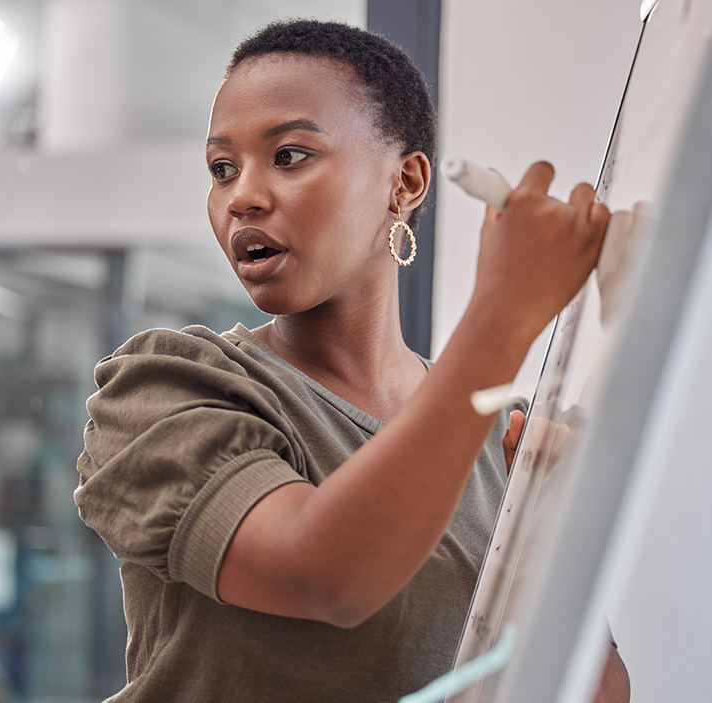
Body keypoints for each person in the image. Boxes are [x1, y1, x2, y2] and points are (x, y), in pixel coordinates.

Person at [75, 19, 629, 703]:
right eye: (222, 168)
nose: (241, 194)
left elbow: (595, 689)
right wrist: (505, 312)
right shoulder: (166, 391)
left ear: (405, 183)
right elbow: (327, 576)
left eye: (289, 155)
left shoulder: (500, 437)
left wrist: (556, 527)